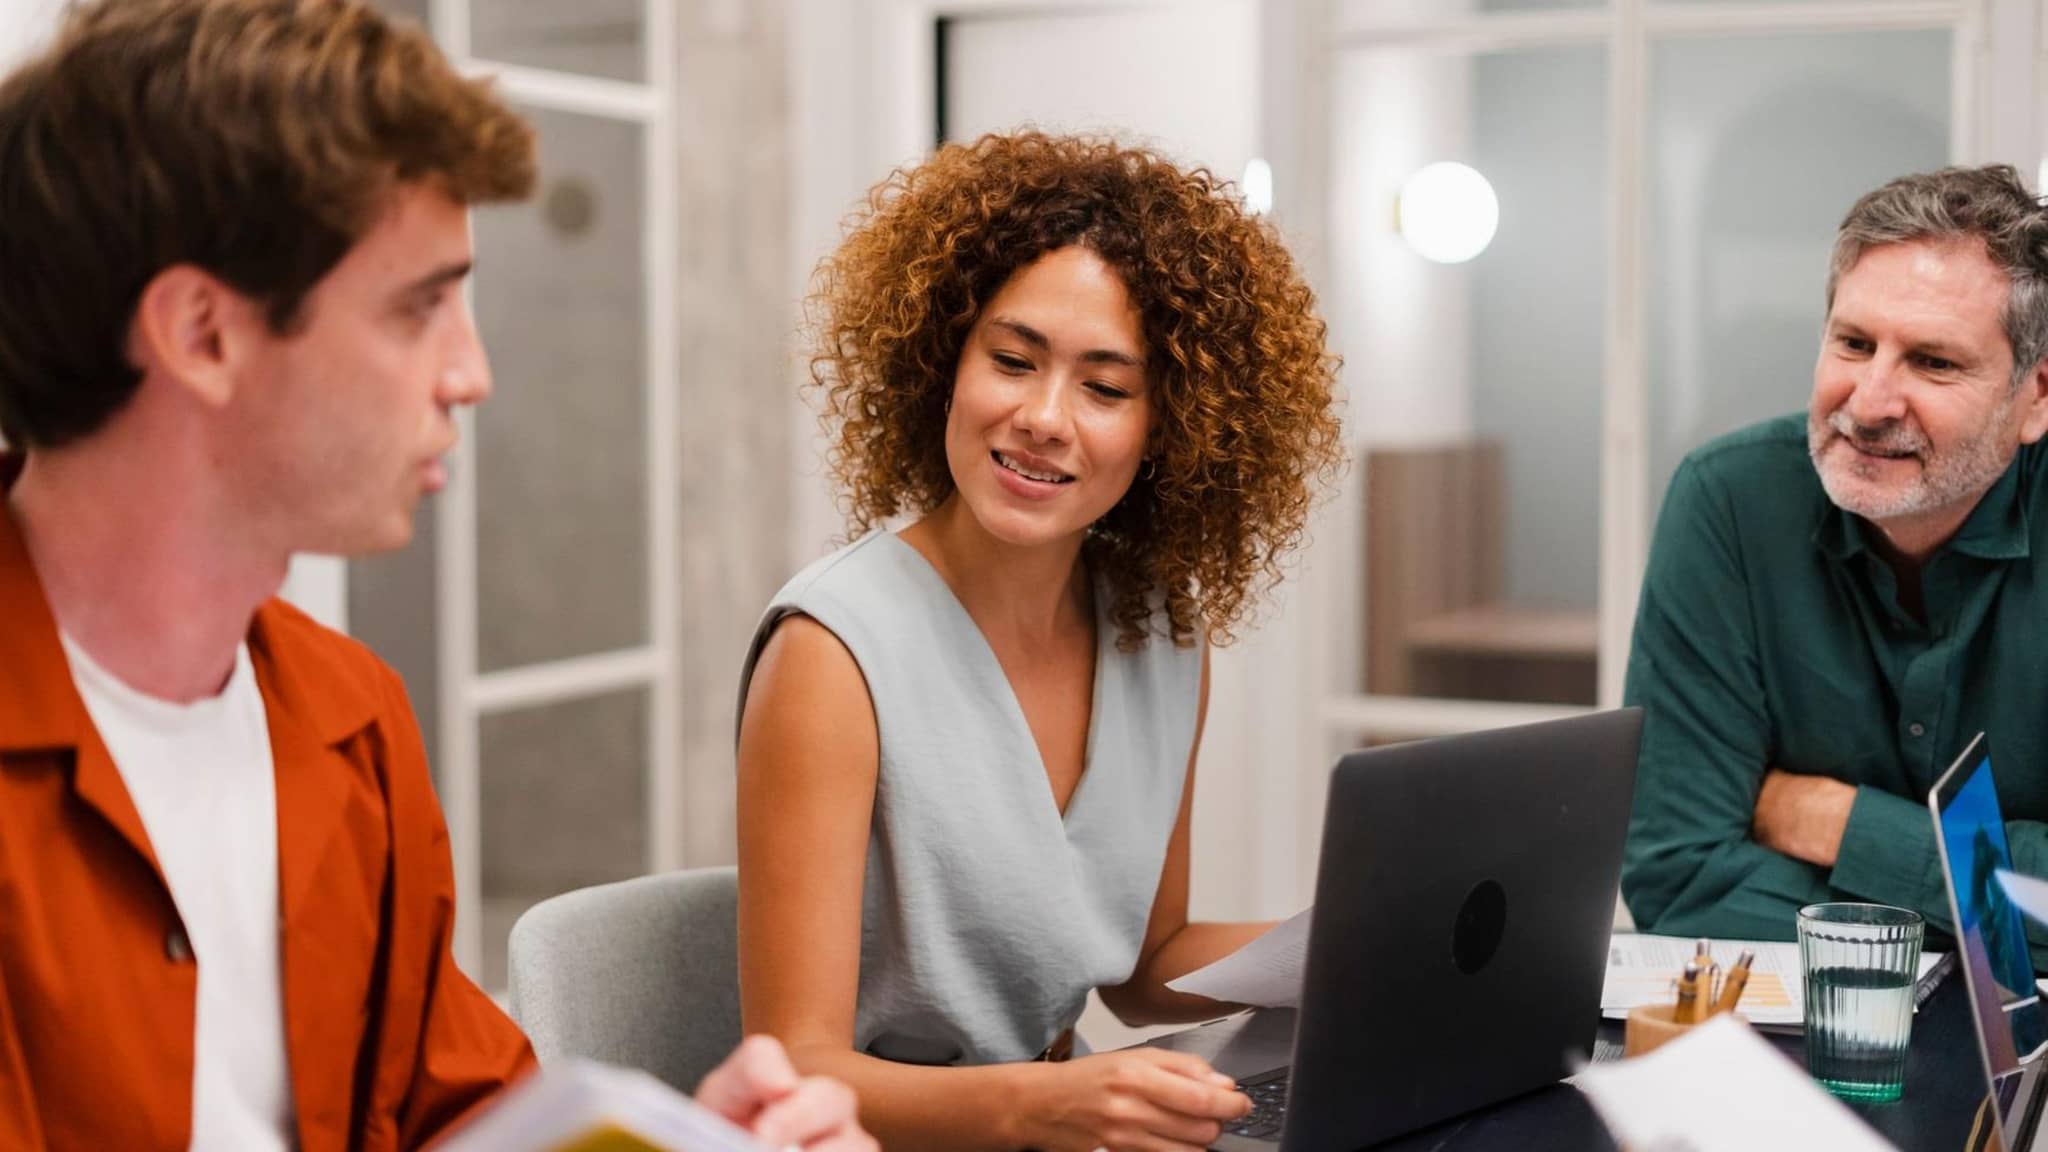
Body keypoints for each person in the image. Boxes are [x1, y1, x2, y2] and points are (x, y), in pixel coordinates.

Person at [0, 3, 872, 1150]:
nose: (471, 373)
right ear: (202, 335)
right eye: (420, 305)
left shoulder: (349, 719)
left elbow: (457, 1119)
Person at [734, 131, 1344, 1151]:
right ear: (944, 364)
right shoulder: (831, 652)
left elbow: (1148, 969)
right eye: (1011, 362)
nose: (1042, 419)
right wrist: (1044, 1102)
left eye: (1105, 389)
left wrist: (1351, 942)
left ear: (1170, 427)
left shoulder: (1160, 635)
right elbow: (799, 1070)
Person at [1622, 164, 2048, 969]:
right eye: (1853, 343)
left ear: (2036, 399)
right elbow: (1679, 880)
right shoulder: (1729, 501)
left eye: (1933, 363)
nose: (1869, 401)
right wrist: (1992, 924)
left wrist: (1843, 826)